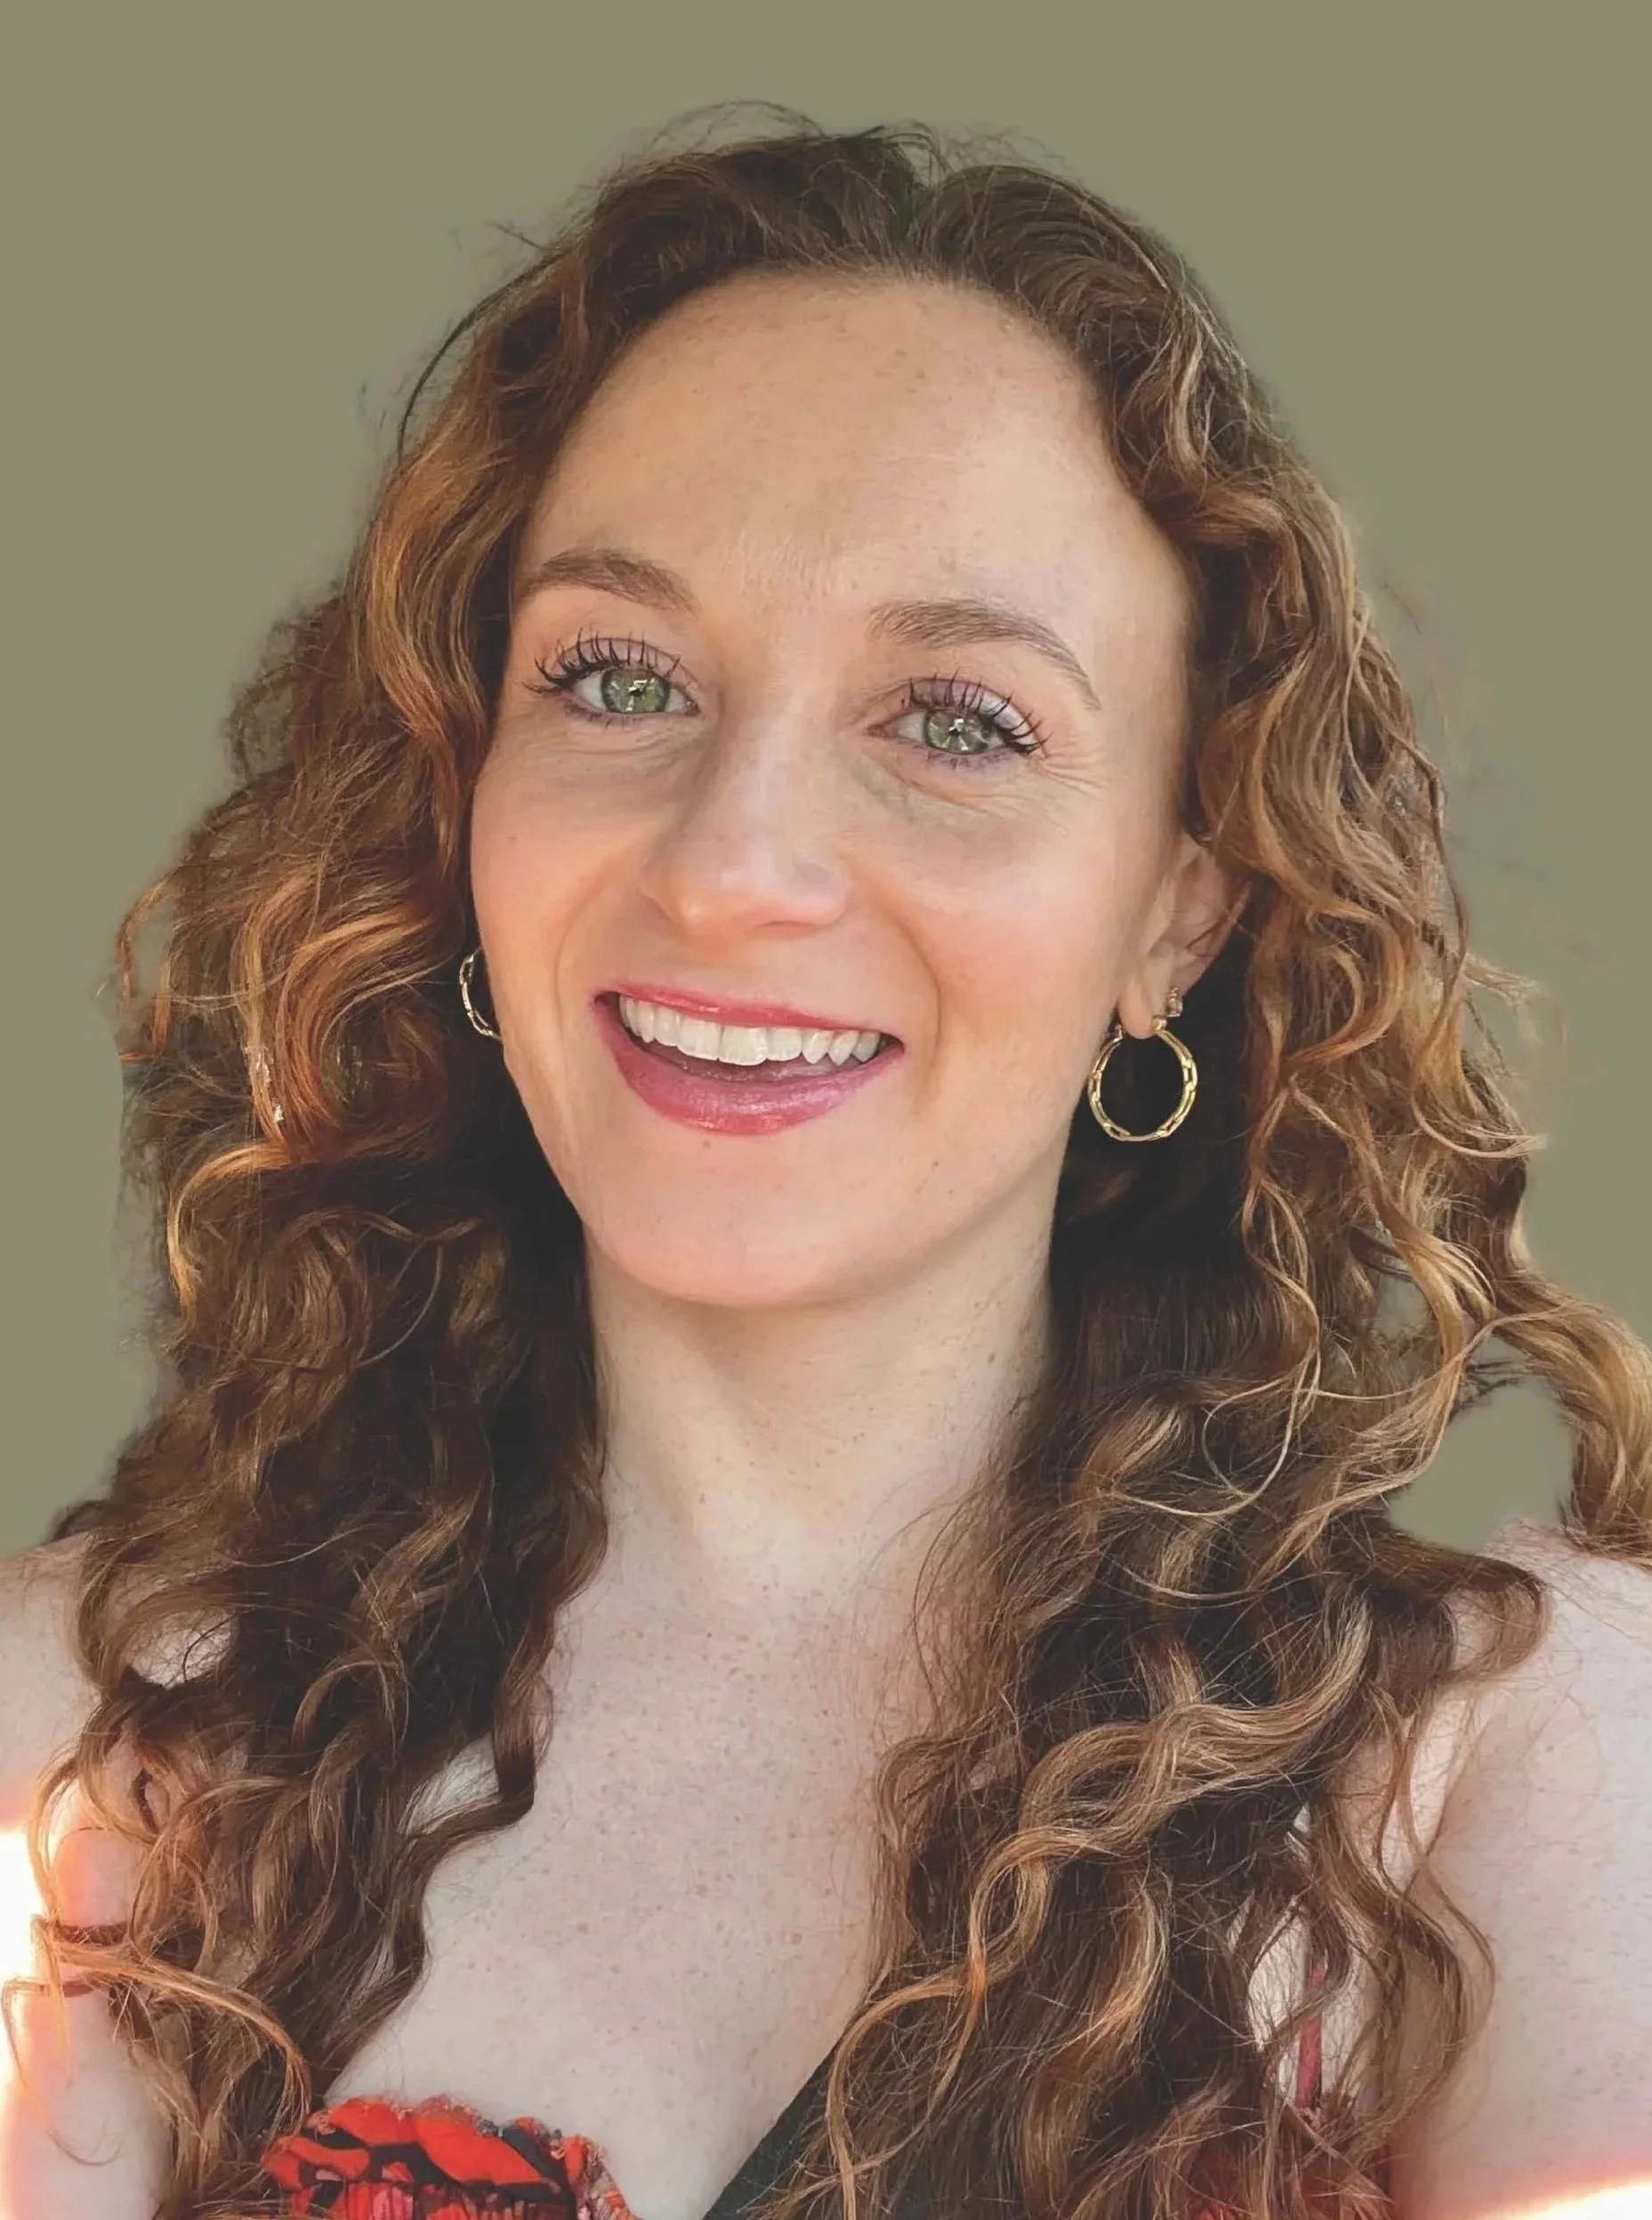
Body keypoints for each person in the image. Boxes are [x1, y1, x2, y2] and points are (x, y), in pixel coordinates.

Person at [2, 107, 1649, 2220]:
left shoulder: (1504, 1771)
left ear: (1180, 906)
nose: (732, 863)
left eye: (953, 720)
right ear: (462, 804)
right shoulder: (100, 1748)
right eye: (616, 675)